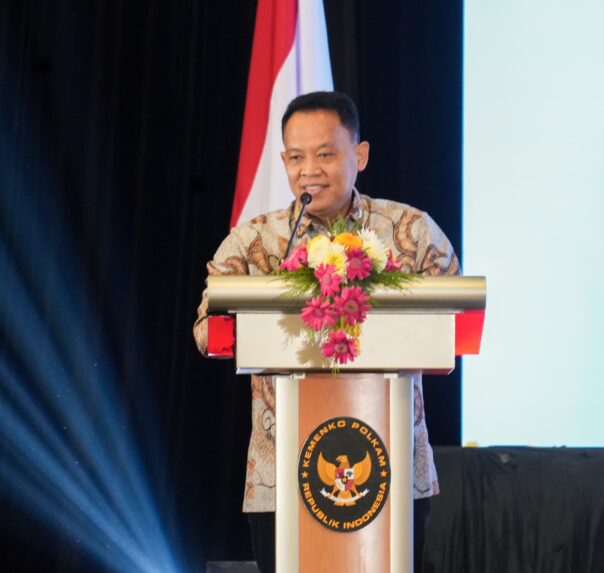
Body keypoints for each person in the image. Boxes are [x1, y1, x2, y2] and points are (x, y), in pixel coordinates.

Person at [193, 91, 460, 573]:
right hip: (280, 475)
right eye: (296, 158)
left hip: (394, 469)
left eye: (325, 154)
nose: (309, 170)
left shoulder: (411, 231)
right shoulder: (255, 241)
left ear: (360, 155)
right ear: (283, 162)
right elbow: (205, 329)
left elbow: (458, 321)